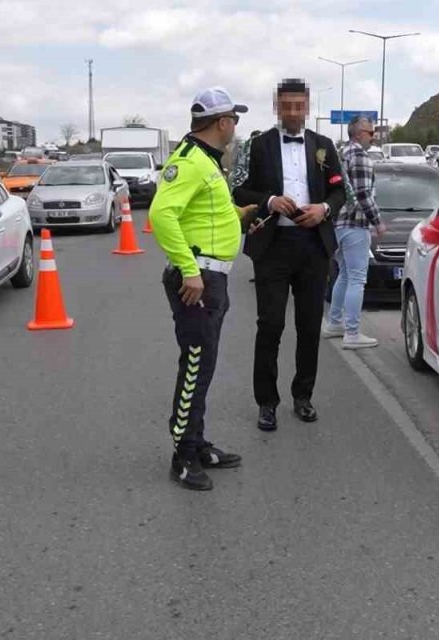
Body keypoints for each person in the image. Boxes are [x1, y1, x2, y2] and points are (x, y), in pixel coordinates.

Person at [149, 86, 257, 491]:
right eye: (235, 120)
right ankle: (183, 455)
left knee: (204, 366)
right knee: (194, 367)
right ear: (222, 122)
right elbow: (163, 215)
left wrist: (240, 215)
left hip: (213, 279)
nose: (235, 127)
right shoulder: (191, 161)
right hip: (198, 282)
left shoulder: (210, 162)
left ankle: (197, 441)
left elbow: (206, 212)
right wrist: (188, 270)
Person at [232, 79, 346, 432]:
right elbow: (239, 187)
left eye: (299, 106)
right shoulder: (258, 144)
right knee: (271, 325)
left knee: (309, 325)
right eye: (287, 106)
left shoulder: (324, 145)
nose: (293, 112)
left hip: (313, 246)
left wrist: (324, 209)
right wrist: (269, 201)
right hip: (274, 246)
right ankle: (267, 402)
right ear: (277, 107)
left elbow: (341, 191)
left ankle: (303, 396)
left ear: (307, 107)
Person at [323, 115, 385, 349]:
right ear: (359, 133)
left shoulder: (342, 153)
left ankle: (335, 323)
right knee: (358, 278)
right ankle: (352, 332)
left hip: (338, 224)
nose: (373, 136)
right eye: (370, 132)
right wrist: (377, 221)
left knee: (345, 275)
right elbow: (363, 194)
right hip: (354, 224)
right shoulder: (359, 156)